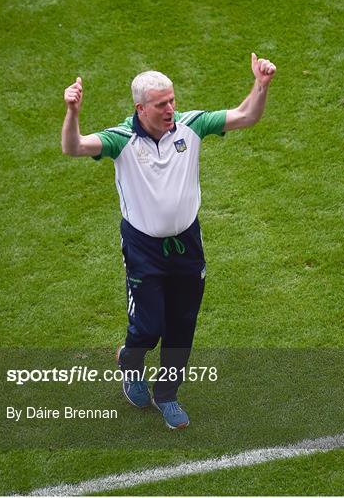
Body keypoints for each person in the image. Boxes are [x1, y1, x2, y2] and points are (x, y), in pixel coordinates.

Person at [61, 53, 276, 429]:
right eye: (162, 104)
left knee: (182, 323)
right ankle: (130, 360)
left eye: (172, 101)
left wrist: (261, 85)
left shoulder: (190, 126)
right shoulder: (121, 139)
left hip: (187, 245)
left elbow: (247, 116)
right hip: (143, 249)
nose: (170, 109)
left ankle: (167, 394)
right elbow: (73, 147)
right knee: (148, 326)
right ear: (140, 108)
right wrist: (73, 111)